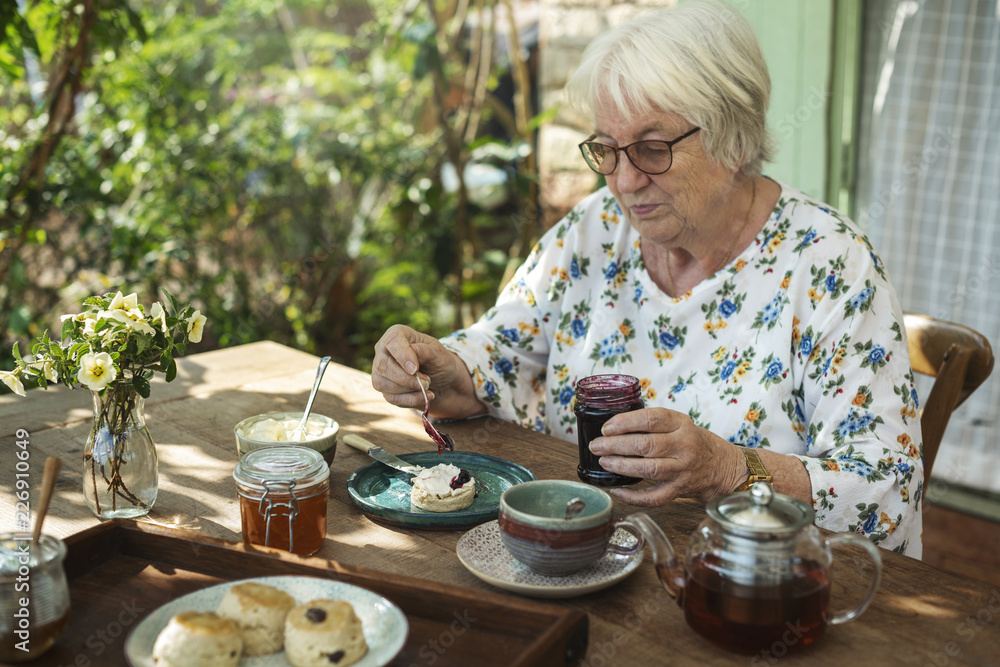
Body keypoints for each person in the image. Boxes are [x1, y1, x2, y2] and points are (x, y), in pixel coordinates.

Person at [372, 0, 923, 556]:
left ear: (733, 137)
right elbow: (503, 355)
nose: (625, 181)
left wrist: (726, 467)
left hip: (746, 587)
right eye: (607, 150)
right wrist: (440, 370)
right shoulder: (595, 231)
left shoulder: (828, 263)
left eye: (653, 149)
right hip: (580, 554)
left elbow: (887, 491)